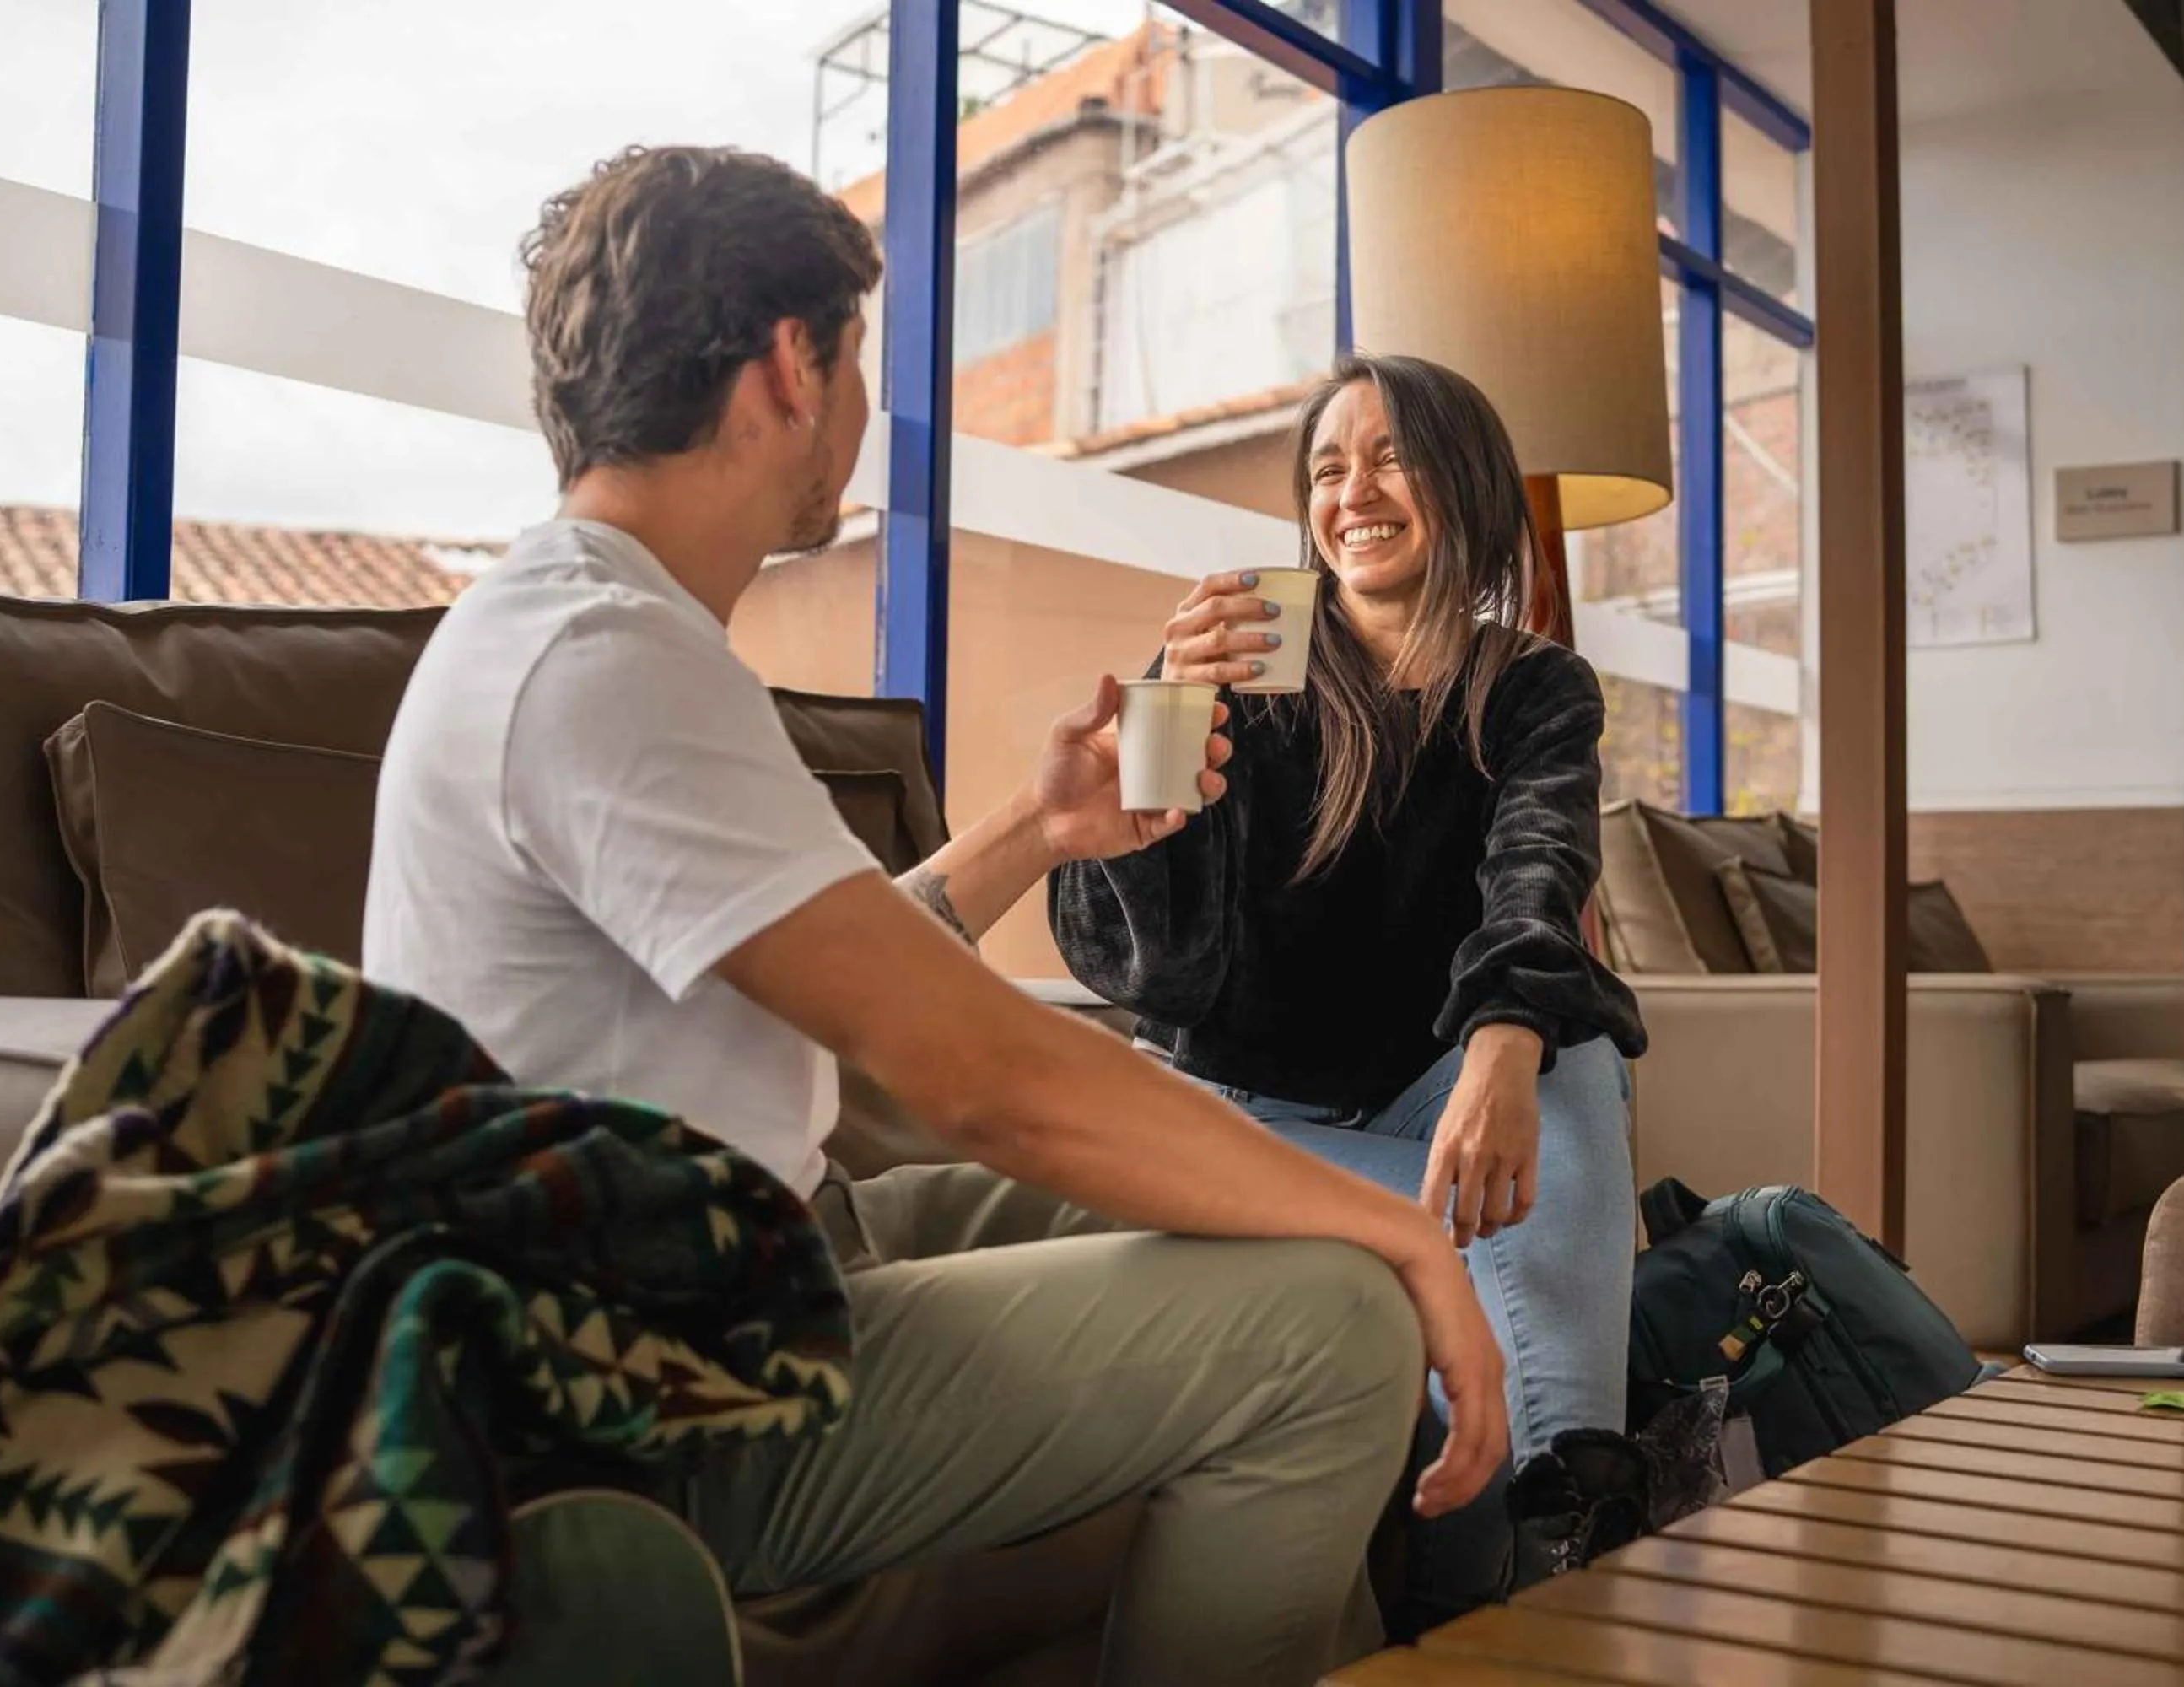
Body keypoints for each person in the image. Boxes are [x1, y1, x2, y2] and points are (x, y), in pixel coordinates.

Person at [360, 145, 1509, 1687]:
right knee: (1335, 1324)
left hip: (761, 1247)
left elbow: (825, 972)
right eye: (860, 362)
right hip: (659, 1382)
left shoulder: (606, 628)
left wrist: (1039, 830)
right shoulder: (600, 662)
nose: (861, 411)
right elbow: (984, 1079)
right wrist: (1408, 1236)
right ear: (789, 365)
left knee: (1255, 1214)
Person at [1050, 351, 1651, 1611]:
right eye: (1328, 468)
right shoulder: (1248, 674)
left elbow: (1538, 871)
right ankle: (1577, 1530)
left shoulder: (1534, 687)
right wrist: (1166, 715)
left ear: (1466, 482)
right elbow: (1145, 964)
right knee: (1477, 1338)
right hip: (1250, 1119)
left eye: (1390, 457)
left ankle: (1553, 1526)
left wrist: (1503, 1046)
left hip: (1435, 1115)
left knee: (1569, 1054)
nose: (1354, 492)